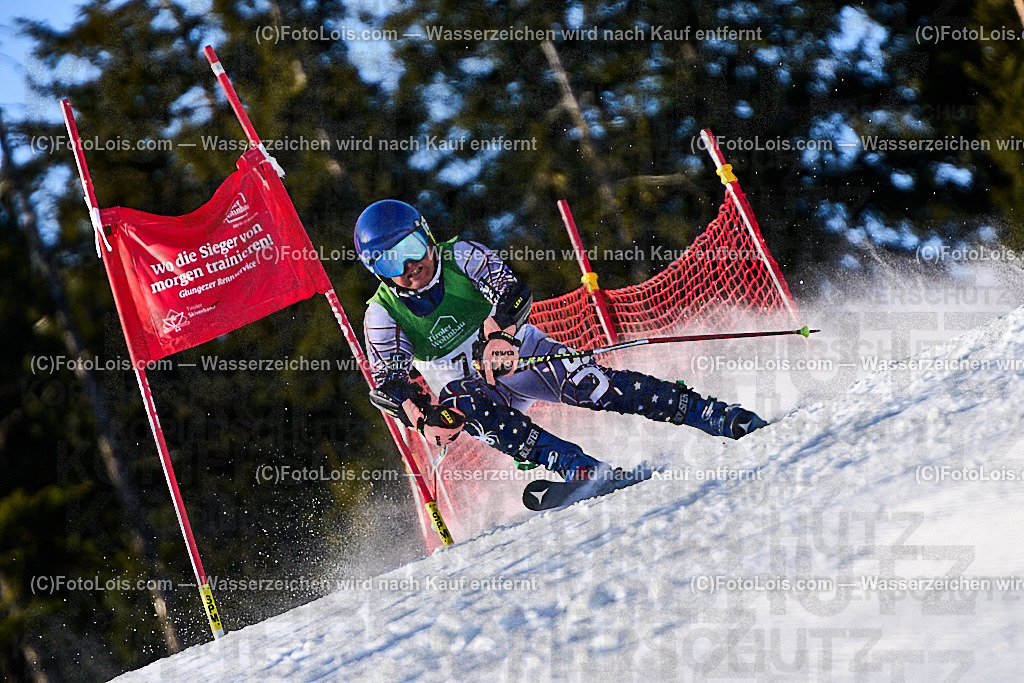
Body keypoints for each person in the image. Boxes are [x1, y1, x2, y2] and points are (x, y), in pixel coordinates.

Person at [357, 199, 767, 483]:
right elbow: (389, 384)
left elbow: (512, 291)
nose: (410, 266)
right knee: (463, 405)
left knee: (595, 386)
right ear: (377, 270)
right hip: (474, 390)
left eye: (411, 248)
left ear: (425, 235)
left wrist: (501, 333)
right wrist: (422, 419)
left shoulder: (461, 255)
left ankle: (710, 413)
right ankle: (577, 467)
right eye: (391, 260)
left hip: (519, 356)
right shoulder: (382, 313)